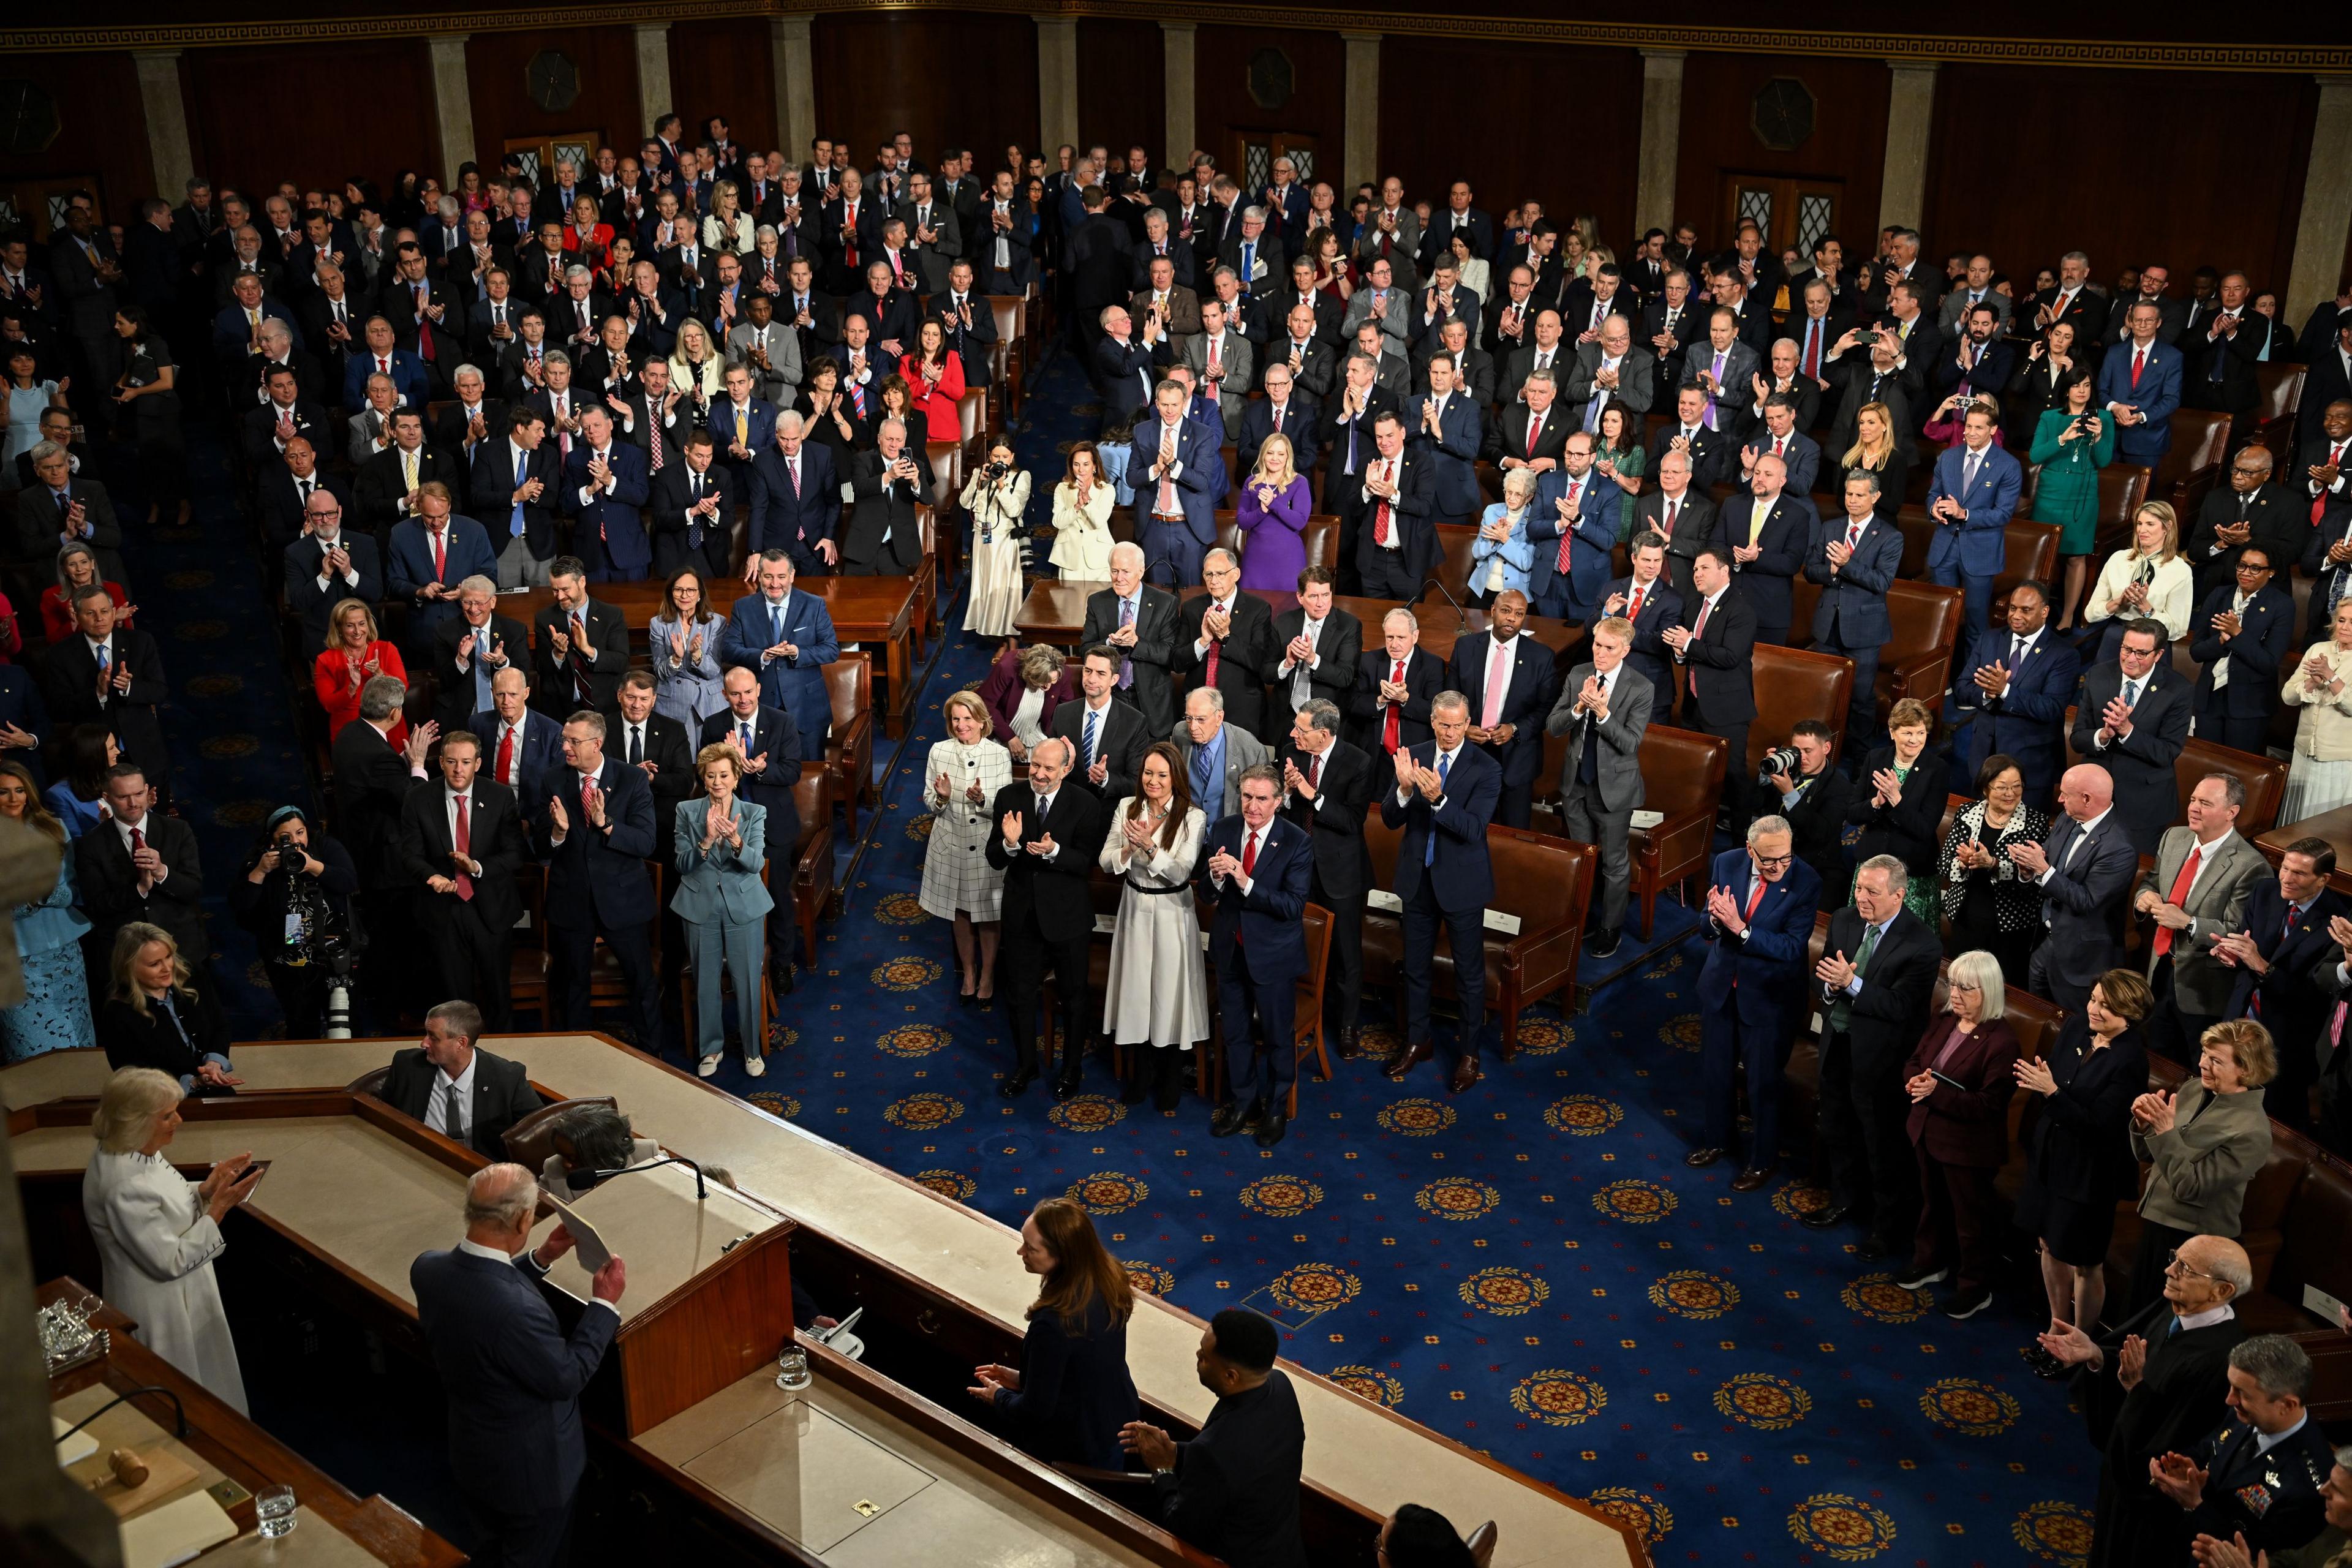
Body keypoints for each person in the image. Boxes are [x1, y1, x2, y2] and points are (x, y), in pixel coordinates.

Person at [412, 1163, 626, 1568]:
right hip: (534, 1475)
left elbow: (483, 1289)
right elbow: (566, 1377)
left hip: (473, 1455)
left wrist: (541, 1257)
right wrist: (603, 1305)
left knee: (488, 1546)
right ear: (524, 1219)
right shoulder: (518, 1310)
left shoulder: (428, 1268)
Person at [2041, 1233, 2248, 1568]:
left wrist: (2135, 1390)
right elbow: (2126, 1356)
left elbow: (2174, 1440)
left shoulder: (2222, 1361)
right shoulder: (2173, 1309)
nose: (2169, 1271)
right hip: (2119, 1475)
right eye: (2174, 1259)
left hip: (2151, 1505)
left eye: (2185, 1268)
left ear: (2222, 1291)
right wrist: (2096, 1354)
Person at [83, 1066, 261, 1414]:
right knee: (185, 1395)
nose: (179, 1120)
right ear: (136, 1120)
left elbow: (166, 1205)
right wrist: (218, 1209)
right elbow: (169, 1261)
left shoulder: (137, 1149)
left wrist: (206, 1190)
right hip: (161, 1308)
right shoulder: (124, 1184)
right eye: (167, 1115)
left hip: (183, 1292)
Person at [1803, 855, 1943, 1263]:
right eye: (1859, 888)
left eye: (1872, 892)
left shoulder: (1922, 943)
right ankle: (1843, 1200)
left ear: (1899, 895)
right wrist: (1831, 989)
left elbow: (1901, 1006)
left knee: (1882, 1145)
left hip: (1881, 1061)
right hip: (1837, 1045)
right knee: (1837, 1128)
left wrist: (1852, 984)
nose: (1861, 898)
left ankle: (1885, 1228)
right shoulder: (1845, 919)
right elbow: (1824, 975)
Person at [2013, 968, 2152, 1377]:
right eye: (2094, 1000)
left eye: (2107, 1007)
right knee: (2049, 1245)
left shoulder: (2131, 1061)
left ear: (2131, 1015)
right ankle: (2057, 1332)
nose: (2094, 1010)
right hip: (2051, 1159)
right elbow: (2054, 1080)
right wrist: (2048, 1089)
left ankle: (2080, 1344)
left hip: (2090, 1173)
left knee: (2085, 1263)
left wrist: (2051, 1092)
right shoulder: (2076, 1028)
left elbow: (2099, 1125)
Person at [1118, 1310, 1308, 1568]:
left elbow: (1180, 1528)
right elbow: (1238, 1467)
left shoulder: (1213, 1452)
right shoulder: (1280, 1386)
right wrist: (1175, 1451)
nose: (1198, 1356)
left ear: (1231, 1377)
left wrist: (1162, 1469)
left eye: (1205, 1357)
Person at [1690, 815, 1820, 1186]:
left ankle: (1763, 1161)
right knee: (1716, 1072)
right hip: (1720, 988)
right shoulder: (1726, 862)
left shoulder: (1806, 881)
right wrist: (1716, 921)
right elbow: (1705, 924)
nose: (1778, 866)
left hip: (1768, 998)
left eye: (1785, 858)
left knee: (1763, 1084)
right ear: (1750, 851)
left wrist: (1740, 929)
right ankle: (1718, 1141)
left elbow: (1792, 948)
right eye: (1768, 860)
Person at [1381, 693, 1501, 1092]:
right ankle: (1419, 1040)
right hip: (1417, 881)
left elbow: (1472, 830)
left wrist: (1438, 799)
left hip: (1462, 885)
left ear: (1468, 725)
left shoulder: (1486, 768)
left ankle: (1469, 1052)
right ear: (1432, 722)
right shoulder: (1412, 755)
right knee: (1415, 967)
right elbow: (1389, 818)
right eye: (1443, 725)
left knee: (1469, 974)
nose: (1450, 733)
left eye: (1457, 726)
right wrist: (1401, 791)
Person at [968, 1197, 1142, 1467]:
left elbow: (1034, 1412)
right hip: (1116, 1418)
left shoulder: (1054, 1324)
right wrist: (1024, 1378)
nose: (1020, 1251)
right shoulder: (1110, 1278)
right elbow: (1084, 1364)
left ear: (1062, 1256)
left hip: (1077, 1447)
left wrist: (998, 1396)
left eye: (1031, 1248)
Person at [527, 711, 661, 1048]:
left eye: (574, 741)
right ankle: (578, 1054)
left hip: (622, 900)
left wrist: (608, 824)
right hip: (571, 900)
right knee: (574, 984)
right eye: (564, 740)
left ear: (597, 744)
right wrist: (558, 832)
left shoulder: (631, 779)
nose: (566, 748)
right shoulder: (552, 779)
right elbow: (540, 846)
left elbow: (646, 842)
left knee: (642, 981)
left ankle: (651, 1052)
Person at [2126, 1018, 2276, 1317]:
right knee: (2134, 1317)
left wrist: (2165, 1131)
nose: (2203, 1064)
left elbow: (2190, 1187)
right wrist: (2144, 1124)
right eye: (2205, 1055)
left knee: (2157, 1328)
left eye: (2216, 1060)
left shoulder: (2252, 1132)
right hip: (2158, 1221)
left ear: (2245, 1069)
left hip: (2193, 1244)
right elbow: (2149, 1155)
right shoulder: (2195, 1089)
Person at [1898, 949, 2019, 1319]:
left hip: (1969, 1147)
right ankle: (1930, 1262)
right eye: (1952, 985)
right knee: (1932, 1204)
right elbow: (1916, 1061)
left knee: (1971, 1222)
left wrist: (1937, 1093)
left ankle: (1974, 1287)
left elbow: (1988, 1106)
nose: (1954, 995)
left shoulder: (2003, 1043)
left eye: (1965, 989)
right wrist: (1915, 1082)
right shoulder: (1945, 1019)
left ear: (1989, 991)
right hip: (1927, 1131)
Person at [989, 736, 1110, 1100]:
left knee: (1074, 997)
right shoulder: (1010, 797)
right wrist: (1010, 844)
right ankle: (1026, 1065)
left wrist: (1054, 851)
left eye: (1047, 768)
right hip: (1022, 914)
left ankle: (1071, 1069)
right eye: (1034, 766)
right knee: (1020, 995)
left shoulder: (1085, 803)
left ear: (1066, 769)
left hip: (1067, 917)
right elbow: (995, 857)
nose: (1038, 774)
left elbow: (1086, 861)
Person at [1199, 763, 1312, 1145]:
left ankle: (1276, 1107)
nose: (1253, 807)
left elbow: (1293, 906)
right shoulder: (1224, 829)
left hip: (1274, 956)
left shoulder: (1296, 841)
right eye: (1247, 797)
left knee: (1279, 1036)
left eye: (1262, 799)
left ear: (1278, 802)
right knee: (1236, 1033)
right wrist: (1215, 878)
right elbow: (1207, 892)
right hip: (1231, 949)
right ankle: (1244, 1101)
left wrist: (1245, 882)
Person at [2156, 1336, 2336, 1562]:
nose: (2230, 1399)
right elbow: (2208, 1450)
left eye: (2242, 1394)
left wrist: (2194, 1505)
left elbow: (2252, 1555)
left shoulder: (2309, 1486)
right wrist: (2185, 1471)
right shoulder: (2246, 1414)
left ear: (2287, 1405)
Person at [1101, 742, 1211, 1109]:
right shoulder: (1126, 808)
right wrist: (1130, 850)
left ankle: (1170, 1080)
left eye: (1162, 775)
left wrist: (1149, 847)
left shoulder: (1193, 817)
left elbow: (1181, 871)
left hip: (1172, 914)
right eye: (1149, 773)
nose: (1153, 780)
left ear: (1176, 778)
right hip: (1134, 908)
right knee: (1136, 994)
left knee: (1167, 994)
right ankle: (1140, 1075)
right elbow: (1105, 861)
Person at [2136, 774, 2267, 1066]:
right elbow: (2151, 882)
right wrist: (2144, 898)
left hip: (2203, 990)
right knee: (2157, 1059)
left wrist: (2188, 923)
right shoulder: (2174, 838)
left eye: (2205, 803)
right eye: (2194, 799)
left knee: (2196, 1068)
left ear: (2231, 813)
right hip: (2159, 971)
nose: (2193, 807)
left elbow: (2238, 932)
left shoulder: (2251, 866)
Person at [2218, 838, 2345, 1134]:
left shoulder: (2337, 921)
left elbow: (2315, 994)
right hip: (2238, 1020)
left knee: (2267, 1126)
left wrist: (2261, 965)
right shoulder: (2265, 891)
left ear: (2323, 879)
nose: (2286, 879)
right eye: (2284, 868)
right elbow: (2245, 944)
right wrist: (2231, 955)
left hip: (2284, 1043)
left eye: (2299, 874)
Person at [1547, 616, 1651, 957]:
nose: (1600, 653)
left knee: (1614, 864)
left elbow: (1631, 744)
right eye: (1597, 645)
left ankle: (1610, 927)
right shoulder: (1578, 674)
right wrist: (1578, 708)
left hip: (1614, 791)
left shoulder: (1641, 688)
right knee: (1581, 857)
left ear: (1625, 649)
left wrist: (1604, 716)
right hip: (1575, 785)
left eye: (1608, 648)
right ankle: (1581, 919)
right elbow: (1554, 726)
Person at [673, 744, 771, 1077]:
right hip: (700, 906)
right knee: (705, 981)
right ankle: (710, 1050)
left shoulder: (754, 812)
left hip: (743, 906)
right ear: (702, 777)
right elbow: (682, 865)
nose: (717, 782)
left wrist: (737, 842)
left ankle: (752, 1051)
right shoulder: (686, 811)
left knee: (746, 980)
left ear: (736, 777)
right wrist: (705, 841)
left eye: (724, 775)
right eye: (710, 775)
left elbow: (756, 863)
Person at [227, 805, 358, 1038]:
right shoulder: (260, 859)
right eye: (285, 837)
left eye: (301, 832)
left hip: (334, 951)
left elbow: (349, 882)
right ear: (272, 840)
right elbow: (241, 907)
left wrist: (313, 865)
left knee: (344, 1022)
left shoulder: (325, 847)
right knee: (301, 1024)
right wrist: (260, 871)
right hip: (288, 959)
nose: (296, 841)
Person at [76, 764, 204, 998]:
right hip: (128, 956)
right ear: (107, 798)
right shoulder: (90, 845)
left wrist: (162, 871)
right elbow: (96, 906)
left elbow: (193, 889)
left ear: (147, 790)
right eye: (123, 797)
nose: (133, 803)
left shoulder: (177, 830)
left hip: (182, 947)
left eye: (138, 794)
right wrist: (139, 889)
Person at [923, 690, 1015, 1004]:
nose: (962, 725)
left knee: (989, 913)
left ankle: (988, 974)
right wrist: (943, 797)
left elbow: (1004, 807)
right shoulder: (939, 751)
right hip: (951, 843)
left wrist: (981, 799)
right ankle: (969, 972)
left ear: (982, 721)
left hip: (987, 846)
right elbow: (929, 803)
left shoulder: (998, 754)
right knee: (959, 911)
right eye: (956, 719)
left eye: (968, 719)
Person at [2073, 619, 2192, 856]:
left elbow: (2167, 753)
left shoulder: (2178, 689)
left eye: (2141, 653)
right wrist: (2103, 735)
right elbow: (2077, 738)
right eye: (2126, 649)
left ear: (2158, 654)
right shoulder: (2099, 675)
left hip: (2143, 804)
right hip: (2093, 796)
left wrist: (2128, 731)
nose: (2130, 658)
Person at [1958, 579, 2079, 809]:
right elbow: (1963, 687)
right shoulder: (1990, 639)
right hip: (1984, 759)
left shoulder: (2063, 654)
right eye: (2013, 608)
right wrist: (1987, 693)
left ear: (2044, 612)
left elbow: (2052, 708)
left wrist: (2005, 691)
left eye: (2026, 610)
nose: (2015, 615)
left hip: (2029, 766)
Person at [1922, 402, 2022, 676]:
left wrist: (1964, 513)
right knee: (1942, 622)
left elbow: (2002, 514)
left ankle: (1969, 681)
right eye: (1968, 426)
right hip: (1944, 549)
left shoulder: (2008, 466)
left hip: (1980, 554)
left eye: (1979, 427)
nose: (1972, 433)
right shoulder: (1949, 457)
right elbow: (1934, 494)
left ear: (1993, 430)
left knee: (1976, 623)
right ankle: (1942, 679)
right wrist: (1934, 508)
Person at [0, 762, 91, 1059]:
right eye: (3, 792)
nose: (14, 799)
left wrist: (41, 894)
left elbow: (73, 889)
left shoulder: (53, 827)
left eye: (20, 790)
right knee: (33, 1055)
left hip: (64, 951)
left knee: (80, 1044)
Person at [1807, 470, 1904, 742]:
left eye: (1860, 495)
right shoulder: (1831, 527)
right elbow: (1811, 571)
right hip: (1828, 626)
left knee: (1861, 698)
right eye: (1849, 493)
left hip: (1863, 630)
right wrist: (1832, 571)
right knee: (1824, 694)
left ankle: (1861, 759)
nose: (1852, 500)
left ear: (1875, 497)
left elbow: (1882, 582)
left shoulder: (1890, 536)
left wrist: (1847, 565)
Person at [1664, 546, 1757, 820]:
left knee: (1733, 774)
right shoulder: (1694, 605)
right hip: (1694, 705)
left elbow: (1729, 657)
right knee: (1694, 772)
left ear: (1724, 571)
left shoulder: (1740, 609)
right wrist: (1680, 653)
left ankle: (1744, 839)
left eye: (1704, 568)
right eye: (1694, 569)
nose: (1697, 574)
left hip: (1727, 708)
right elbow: (1686, 650)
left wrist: (1689, 644)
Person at [1936, 754, 2050, 977]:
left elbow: (2033, 877)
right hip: (1966, 914)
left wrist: (1993, 864)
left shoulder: (2035, 823)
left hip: (2012, 922)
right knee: (1963, 978)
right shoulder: (1967, 813)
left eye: (2017, 786)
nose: (2011, 794)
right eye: (2002, 787)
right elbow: (1943, 864)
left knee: (2002, 984)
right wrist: (1963, 863)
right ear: (1985, 788)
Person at [382, 1001, 543, 1158]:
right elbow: (382, 1114)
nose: (424, 1043)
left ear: (461, 1043)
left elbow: (539, 1129)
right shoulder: (407, 1066)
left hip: (482, 1174)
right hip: (419, 1165)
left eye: (433, 1037)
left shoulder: (507, 1077)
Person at [1450, 589, 1554, 832]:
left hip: (1516, 760)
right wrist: (1463, 729)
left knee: (1513, 834)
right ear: (1493, 611)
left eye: (1519, 614)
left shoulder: (1541, 657)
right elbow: (1451, 697)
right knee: (1465, 828)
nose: (1511, 618)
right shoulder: (1465, 647)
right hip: (1469, 753)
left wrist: (1515, 728)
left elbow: (1546, 707)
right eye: (1506, 611)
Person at [720, 549, 837, 762]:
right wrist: (762, 657)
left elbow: (831, 649)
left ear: (792, 576)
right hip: (761, 708)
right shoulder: (743, 607)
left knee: (810, 779)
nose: (775, 584)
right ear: (759, 575)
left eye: (781, 577)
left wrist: (798, 653)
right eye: (769, 576)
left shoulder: (814, 605)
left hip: (807, 710)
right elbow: (729, 649)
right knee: (765, 775)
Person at [98, 922, 234, 1095]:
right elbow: (133, 1077)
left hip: (215, 1084)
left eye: (168, 957)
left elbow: (220, 1025)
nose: (167, 968)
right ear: (129, 968)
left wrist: (214, 1063)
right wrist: (193, 1082)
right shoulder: (118, 1012)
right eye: (155, 964)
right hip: (160, 1100)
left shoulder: (192, 976)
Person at [2189, 545, 2296, 753]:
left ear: (2271, 572)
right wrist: (2220, 641)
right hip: (2209, 699)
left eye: (2256, 568)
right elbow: (2196, 652)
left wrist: (2237, 634)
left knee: (2236, 770)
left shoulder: (2282, 605)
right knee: (2204, 762)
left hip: (2249, 704)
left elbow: (2268, 662)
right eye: (2242, 566)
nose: (2246, 573)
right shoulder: (2219, 595)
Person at [2028, 372, 2113, 624]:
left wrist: (2098, 437)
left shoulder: (2104, 418)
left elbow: (2105, 461)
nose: (2082, 391)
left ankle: (2067, 617)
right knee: (2045, 555)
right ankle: (2037, 615)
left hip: (2082, 496)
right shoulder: (2049, 417)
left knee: (2076, 557)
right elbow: (2035, 455)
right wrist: (2062, 439)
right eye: (2076, 385)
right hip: (2050, 494)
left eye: (2087, 385)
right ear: (2067, 390)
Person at [1847, 699, 1944, 919]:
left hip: (1911, 873)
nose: (1915, 740)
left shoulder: (1937, 769)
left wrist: (1897, 801)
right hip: (1871, 865)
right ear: (1892, 732)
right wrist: (1877, 803)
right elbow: (1852, 814)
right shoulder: (1876, 757)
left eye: (1921, 733)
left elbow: (1925, 829)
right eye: (1908, 733)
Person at [1080, 543, 1182, 741]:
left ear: (1141, 571)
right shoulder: (1097, 602)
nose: (1119, 578)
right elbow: (1085, 650)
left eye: (1126, 571)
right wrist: (1109, 644)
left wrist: (1136, 643)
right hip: (1110, 696)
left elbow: (1169, 654)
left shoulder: (1165, 603)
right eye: (1115, 571)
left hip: (1150, 701)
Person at [1177, 550, 1276, 739]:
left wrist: (1226, 637)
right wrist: (1203, 642)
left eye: (1220, 574)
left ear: (1236, 574)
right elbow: (1176, 662)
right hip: (1198, 711)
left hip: (1241, 709)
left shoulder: (1258, 609)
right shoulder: (1192, 608)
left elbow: (1259, 662)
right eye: (1209, 574)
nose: (1214, 580)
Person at [2084, 502, 2195, 664]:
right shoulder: (2118, 559)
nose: (2142, 530)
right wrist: (2118, 603)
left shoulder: (2180, 570)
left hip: (2152, 644)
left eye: (2150, 524)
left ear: (2167, 527)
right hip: (2116, 637)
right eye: (2139, 524)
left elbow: (2177, 630)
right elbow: (2091, 614)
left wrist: (2146, 608)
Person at [1760, 720, 1850, 910]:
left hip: (1813, 863)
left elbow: (1821, 833)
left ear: (1826, 748)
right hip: (1772, 853)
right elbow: (1753, 805)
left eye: (1808, 751)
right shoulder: (1787, 769)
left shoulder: (1840, 787)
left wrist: (1790, 795)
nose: (1801, 758)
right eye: (1796, 751)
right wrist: (1766, 775)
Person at [2281, 598, 2352, 821]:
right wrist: (2311, 682)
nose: (2345, 627)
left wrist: (2330, 676)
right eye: (2341, 620)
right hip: (2303, 753)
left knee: (2323, 824)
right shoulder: (2318, 649)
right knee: (2293, 821)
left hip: (2337, 761)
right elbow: (2288, 697)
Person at [312, 598, 407, 745]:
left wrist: (380, 674)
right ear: (339, 629)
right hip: (350, 730)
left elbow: (403, 689)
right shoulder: (325, 660)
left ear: (368, 624)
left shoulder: (387, 649)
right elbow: (329, 705)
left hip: (389, 726)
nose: (357, 631)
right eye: (350, 626)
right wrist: (351, 687)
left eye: (362, 624)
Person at [962, 440, 1030, 637]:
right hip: (982, 536)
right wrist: (979, 483)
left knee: (1003, 589)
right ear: (990, 456)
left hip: (1005, 540)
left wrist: (1001, 486)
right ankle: (988, 629)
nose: (1000, 461)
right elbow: (964, 503)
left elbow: (1015, 510)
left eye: (1005, 457)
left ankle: (1008, 638)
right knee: (984, 584)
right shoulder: (980, 473)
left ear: (1012, 457)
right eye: (996, 457)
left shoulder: (1021, 477)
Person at [1236, 433, 1311, 592]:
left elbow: (1300, 521)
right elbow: (1242, 522)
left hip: (1288, 560)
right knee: (1252, 608)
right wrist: (1261, 510)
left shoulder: (1299, 482)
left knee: (1288, 609)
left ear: (1288, 457)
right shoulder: (1251, 483)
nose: (1275, 458)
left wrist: (1273, 504)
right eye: (1270, 453)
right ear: (1263, 455)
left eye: (1280, 454)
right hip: (1256, 558)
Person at [1049, 442, 1115, 579]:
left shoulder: (1107, 490)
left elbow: (1099, 522)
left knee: (1098, 600)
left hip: (1099, 558)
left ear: (1095, 467)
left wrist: (1087, 500)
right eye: (1076, 464)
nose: (1081, 470)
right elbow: (1058, 522)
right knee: (1070, 600)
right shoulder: (1062, 488)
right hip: (1070, 558)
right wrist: (1076, 508)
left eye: (1086, 464)